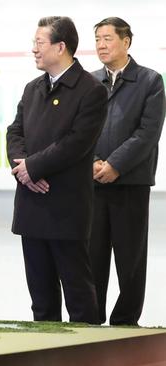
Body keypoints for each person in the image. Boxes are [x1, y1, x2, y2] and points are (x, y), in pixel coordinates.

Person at [6, 16, 107, 324]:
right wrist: (23, 168)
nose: (34, 49)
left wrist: (32, 168)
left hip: (66, 206)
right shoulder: (32, 88)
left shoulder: (91, 90)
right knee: (41, 298)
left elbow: (76, 143)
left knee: (78, 294)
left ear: (61, 46)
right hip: (31, 203)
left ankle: (88, 353)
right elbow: (15, 132)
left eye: (40, 43)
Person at [89, 17, 166, 326]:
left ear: (126, 42)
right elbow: (78, 129)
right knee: (91, 257)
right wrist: (94, 161)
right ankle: (90, 319)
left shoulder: (150, 81)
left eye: (107, 38)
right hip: (92, 184)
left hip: (130, 182)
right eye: (97, 40)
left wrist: (115, 165)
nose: (101, 45)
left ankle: (125, 322)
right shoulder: (89, 82)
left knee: (130, 258)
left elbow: (147, 133)